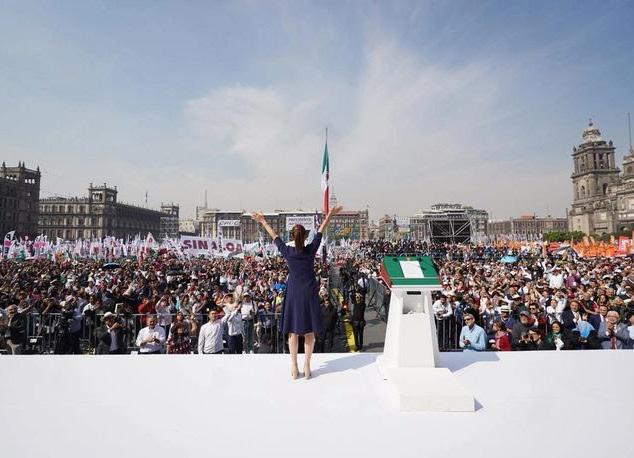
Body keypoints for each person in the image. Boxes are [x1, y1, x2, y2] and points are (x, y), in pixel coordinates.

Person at [252, 205, 342, 379]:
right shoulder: (311, 250)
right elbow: (320, 231)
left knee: (293, 331)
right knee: (309, 331)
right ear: (306, 236)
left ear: (292, 237)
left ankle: (294, 366)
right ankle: (307, 365)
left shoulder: (288, 251)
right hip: (309, 290)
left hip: (293, 291)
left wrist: (263, 221)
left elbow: (274, 236)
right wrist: (329, 214)